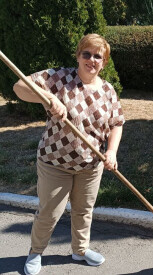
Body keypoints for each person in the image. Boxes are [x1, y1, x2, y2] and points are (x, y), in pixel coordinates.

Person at [13, 33, 125, 275]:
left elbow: (117, 123)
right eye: (87, 54)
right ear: (78, 56)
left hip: (90, 165)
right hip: (55, 162)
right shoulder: (59, 77)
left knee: (84, 210)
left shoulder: (107, 90)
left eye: (98, 56)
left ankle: (80, 250)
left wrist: (112, 152)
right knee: (49, 212)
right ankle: (35, 253)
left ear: (104, 62)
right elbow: (19, 87)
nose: (91, 60)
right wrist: (49, 96)